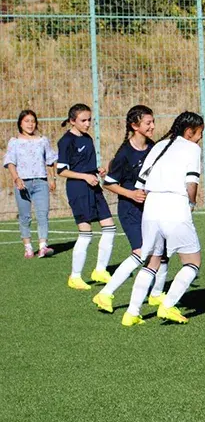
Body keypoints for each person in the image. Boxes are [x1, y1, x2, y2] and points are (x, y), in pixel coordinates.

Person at [121, 112, 204, 326]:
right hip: (174, 205)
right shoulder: (192, 148)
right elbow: (191, 182)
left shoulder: (158, 145)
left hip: (151, 208)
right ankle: (167, 306)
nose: (199, 138)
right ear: (188, 132)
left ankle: (131, 313)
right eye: (199, 133)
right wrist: (192, 204)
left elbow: (140, 184)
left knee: (152, 262)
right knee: (193, 262)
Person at [92, 105, 170, 313]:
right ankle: (105, 294)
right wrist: (131, 194)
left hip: (151, 209)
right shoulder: (125, 153)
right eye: (148, 123)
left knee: (161, 251)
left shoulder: (153, 148)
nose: (153, 126)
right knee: (140, 252)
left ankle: (155, 295)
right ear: (135, 126)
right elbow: (108, 183)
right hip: (130, 210)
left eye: (153, 122)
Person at [56, 104, 116, 290]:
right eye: (83, 120)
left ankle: (99, 270)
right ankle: (75, 276)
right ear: (72, 121)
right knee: (86, 233)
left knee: (110, 227)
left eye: (90, 119)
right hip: (78, 189)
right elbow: (61, 170)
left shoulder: (88, 139)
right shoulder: (66, 141)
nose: (88, 123)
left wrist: (97, 170)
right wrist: (84, 176)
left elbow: (85, 164)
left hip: (93, 186)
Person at [4, 110, 57, 258]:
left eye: (33, 121)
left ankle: (43, 246)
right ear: (20, 123)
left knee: (42, 214)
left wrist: (52, 178)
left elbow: (50, 160)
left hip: (41, 181)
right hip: (22, 183)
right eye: (27, 121)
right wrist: (16, 178)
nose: (30, 124)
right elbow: (10, 162)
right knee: (25, 216)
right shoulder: (14, 141)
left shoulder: (42, 140)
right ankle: (28, 247)